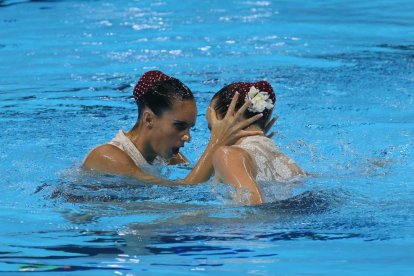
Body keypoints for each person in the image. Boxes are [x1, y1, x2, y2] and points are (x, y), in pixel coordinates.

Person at [83, 70, 263, 185]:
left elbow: (205, 178)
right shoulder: (107, 156)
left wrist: (248, 149)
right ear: (149, 119)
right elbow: (184, 190)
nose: (187, 137)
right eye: (179, 126)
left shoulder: (169, 156)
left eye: (190, 128)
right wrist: (217, 141)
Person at [208, 81, 305, 205]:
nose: (212, 137)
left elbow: (254, 213)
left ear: (231, 116)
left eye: (212, 129)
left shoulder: (228, 155)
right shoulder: (290, 164)